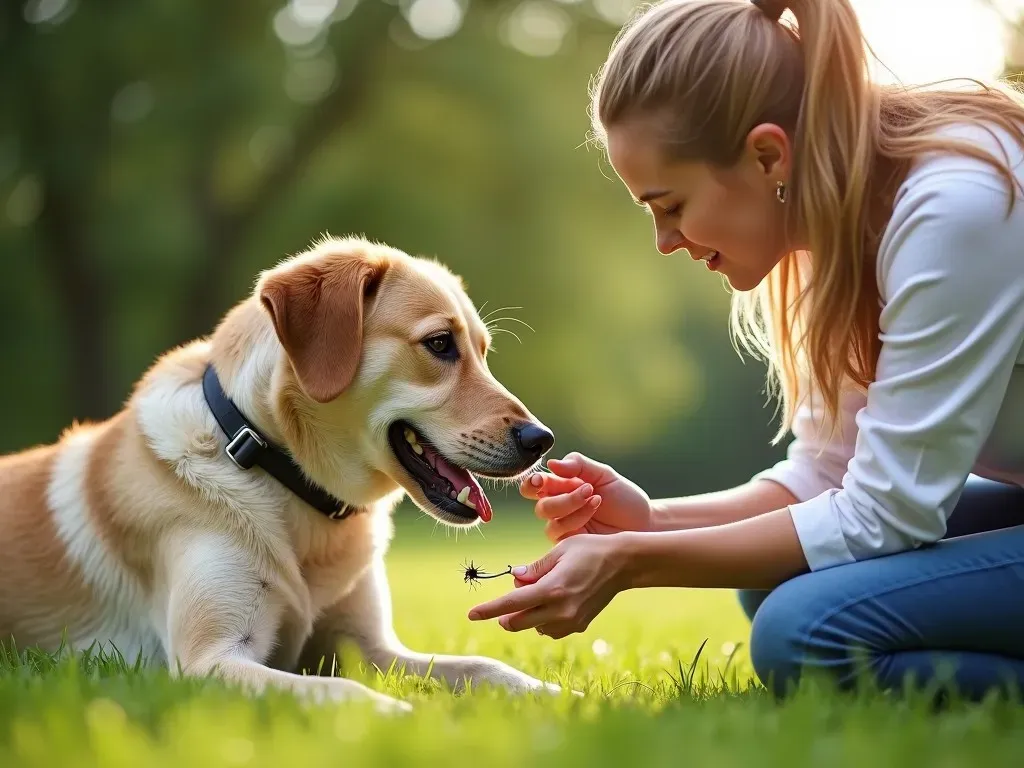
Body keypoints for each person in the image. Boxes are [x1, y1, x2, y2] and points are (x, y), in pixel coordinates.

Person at [467, 0, 1024, 701]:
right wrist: (649, 521)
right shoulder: (841, 215)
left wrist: (631, 561)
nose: (666, 242)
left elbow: (885, 515)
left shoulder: (952, 210)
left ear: (767, 155)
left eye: (670, 206)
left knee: (803, 629)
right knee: (776, 583)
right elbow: (832, 470)